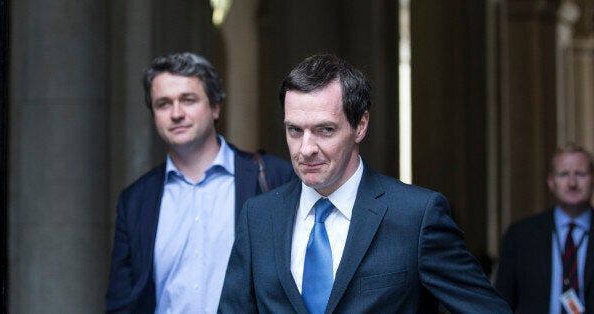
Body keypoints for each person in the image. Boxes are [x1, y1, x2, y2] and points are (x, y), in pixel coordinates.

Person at [218, 53, 511, 313]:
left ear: (360, 125)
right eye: (295, 130)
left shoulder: (416, 216)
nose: (305, 148)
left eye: (325, 130)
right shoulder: (258, 216)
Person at [105, 52, 296, 313]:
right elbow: (122, 302)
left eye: (188, 100)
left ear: (215, 107)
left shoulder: (275, 177)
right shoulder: (135, 200)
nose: (176, 113)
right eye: (163, 104)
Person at [495, 143, 594, 313]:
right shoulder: (521, 235)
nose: (572, 183)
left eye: (580, 174)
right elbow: (502, 300)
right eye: (564, 174)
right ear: (551, 182)